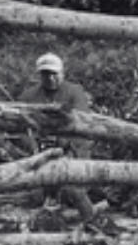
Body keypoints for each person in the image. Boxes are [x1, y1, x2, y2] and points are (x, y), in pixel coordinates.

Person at [18, 53, 96, 223]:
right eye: (46, 74)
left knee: (74, 190)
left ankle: (89, 219)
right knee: (37, 197)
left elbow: (82, 124)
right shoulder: (29, 96)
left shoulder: (75, 92)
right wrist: (31, 145)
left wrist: (65, 144)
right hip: (41, 148)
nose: (50, 78)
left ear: (62, 73)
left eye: (54, 73)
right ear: (40, 75)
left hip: (73, 147)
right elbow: (21, 128)